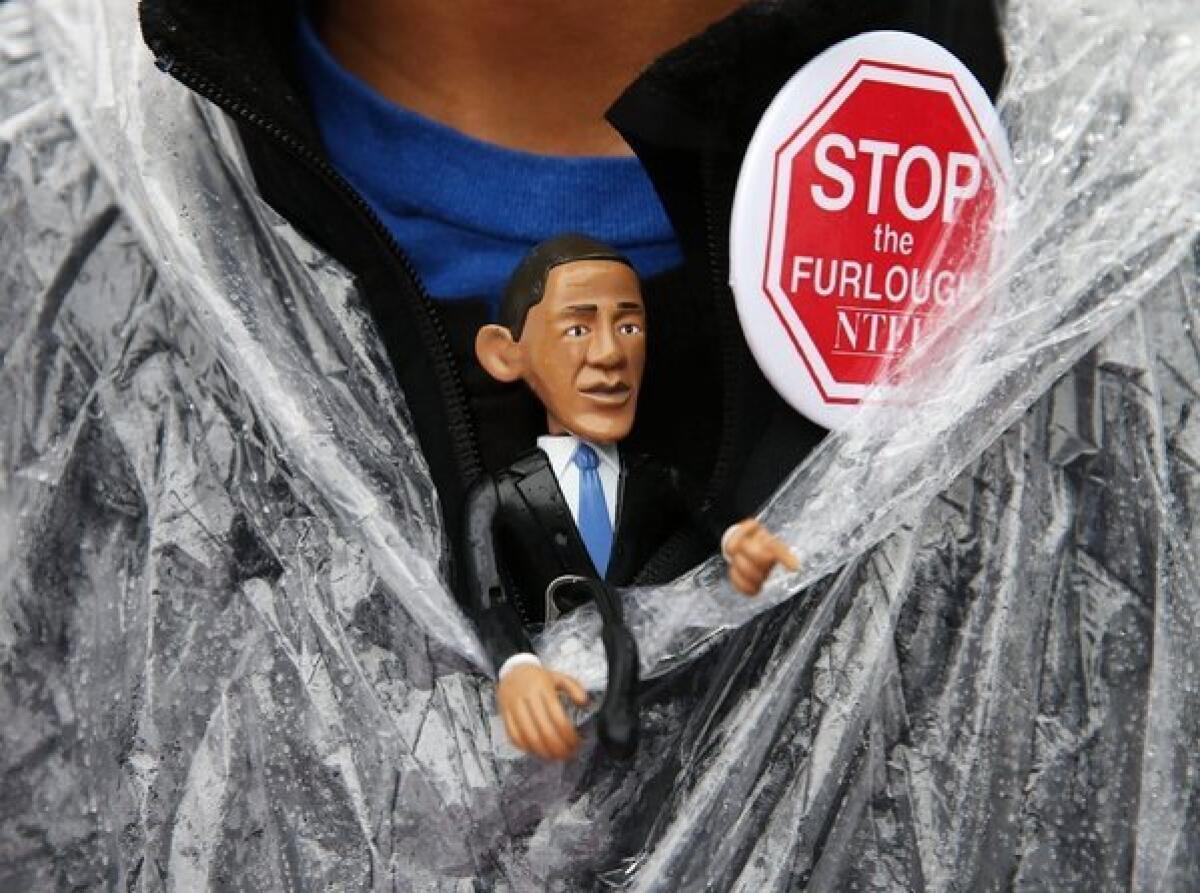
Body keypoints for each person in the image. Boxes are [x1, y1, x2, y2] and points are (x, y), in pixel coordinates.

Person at [461, 234, 797, 761]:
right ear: (506, 355)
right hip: (554, 734)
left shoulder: (656, 478)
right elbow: (489, 596)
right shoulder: (500, 495)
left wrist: (739, 539)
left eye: (629, 325)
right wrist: (517, 667)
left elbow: (707, 514)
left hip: (669, 722)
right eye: (577, 328)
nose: (610, 354)